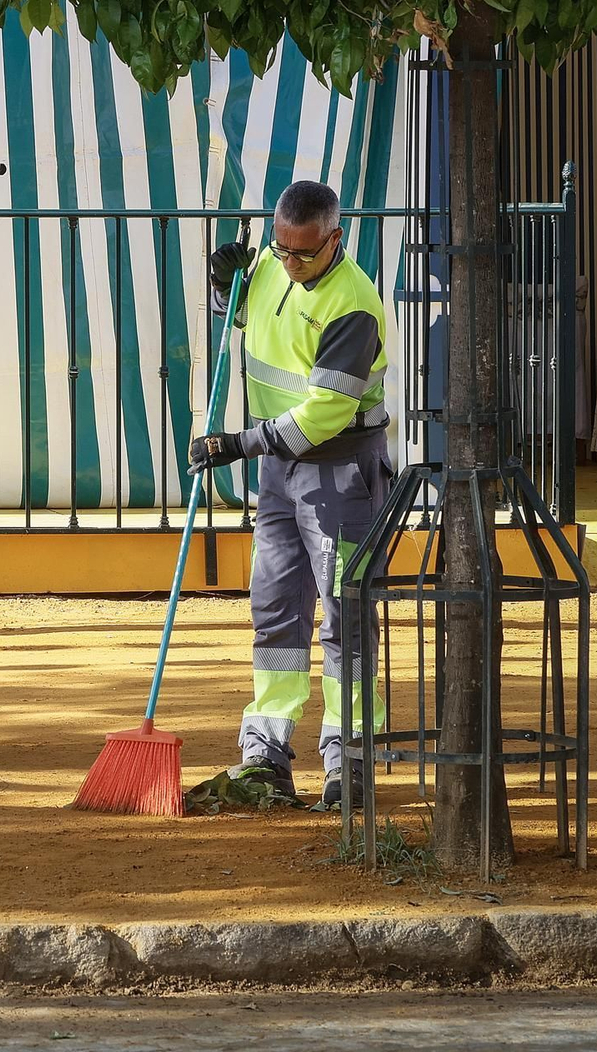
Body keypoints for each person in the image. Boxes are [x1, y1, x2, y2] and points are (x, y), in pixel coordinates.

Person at [189, 180, 392, 811]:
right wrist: (227, 287)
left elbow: (325, 414)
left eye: (304, 254)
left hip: (339, 471)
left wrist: (239, 443)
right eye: (281, 250)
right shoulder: (271, 267)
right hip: (280, 474)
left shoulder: (353, 305)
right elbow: (247, 321)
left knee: (345, 616)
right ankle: (265, 753)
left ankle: (348, 759)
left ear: (336, 239)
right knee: (275, 608)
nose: (291, 264)